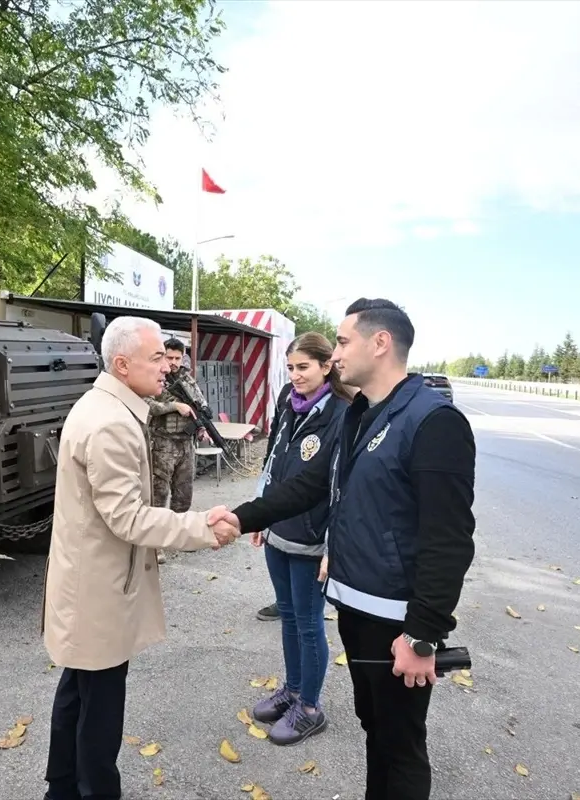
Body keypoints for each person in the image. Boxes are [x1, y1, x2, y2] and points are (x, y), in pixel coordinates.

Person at [211, 298, 476, 800]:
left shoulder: (434, 421)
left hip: (398, 622)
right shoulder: (360, 414)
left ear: (381, 343)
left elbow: (449, 540)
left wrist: (423, 635)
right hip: (355, 607)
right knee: (374, 727)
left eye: (343, 340)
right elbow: (310, 485)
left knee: (399, 745)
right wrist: (241, 516)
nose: (334, 352)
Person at [41, 315, 240, 800]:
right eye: (156, 358)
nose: (166, 368)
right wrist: (201, 527)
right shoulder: (111, 422)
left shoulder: (108, 406)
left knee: (78, 692)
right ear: (123, 363)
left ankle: (61, 788)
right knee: (100, 707)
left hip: (92, 580)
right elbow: (127, 518)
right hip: (100, 589)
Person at [248, 332, 351, 746]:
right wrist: (260, 513)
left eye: (303, 367)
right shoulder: (288, 405)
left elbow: (346, 485)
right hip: (278, 533)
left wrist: (334, 543)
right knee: (288, 617)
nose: (295, 375)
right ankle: (291, 691)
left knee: (309, 626)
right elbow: (271, 461)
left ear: (327, 366)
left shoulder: (344, 413)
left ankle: (310, 708)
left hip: (313, 540)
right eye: (290, 368)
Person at [146, 338, 209, 564]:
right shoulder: (154, 376)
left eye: (177, 358)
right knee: (158, 495)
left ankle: (179, 537)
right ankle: (155, 545)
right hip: (162, 443)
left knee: (184, 494)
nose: (172, 362)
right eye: (169, 357)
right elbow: (147, 405)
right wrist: (173, 406)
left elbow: (199, 403)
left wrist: (202, 427)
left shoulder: (186, 377)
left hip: (185, 443)